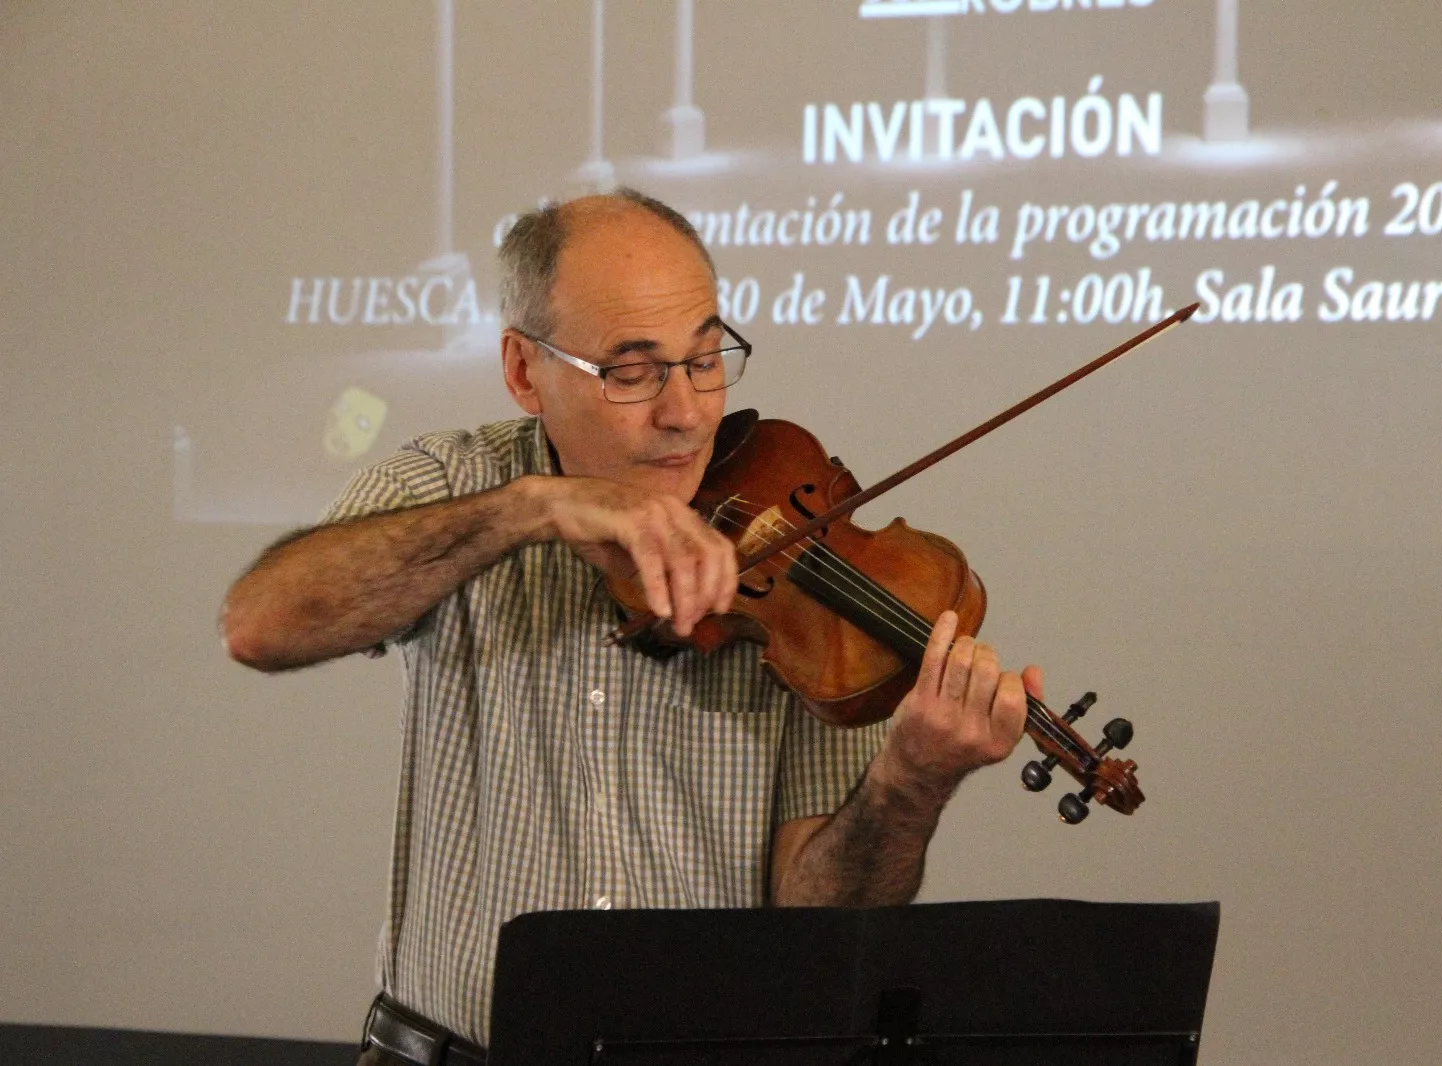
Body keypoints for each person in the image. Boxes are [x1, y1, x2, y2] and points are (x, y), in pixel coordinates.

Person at [220, 189, 1042, 1064]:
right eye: (631, 370)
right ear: (523, 371)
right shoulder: (456, 483)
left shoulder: (804, 581)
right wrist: (528, 510)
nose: (685, 412)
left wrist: (908, 784)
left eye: (705, 359)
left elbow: (817, 926)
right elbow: (262, 625)